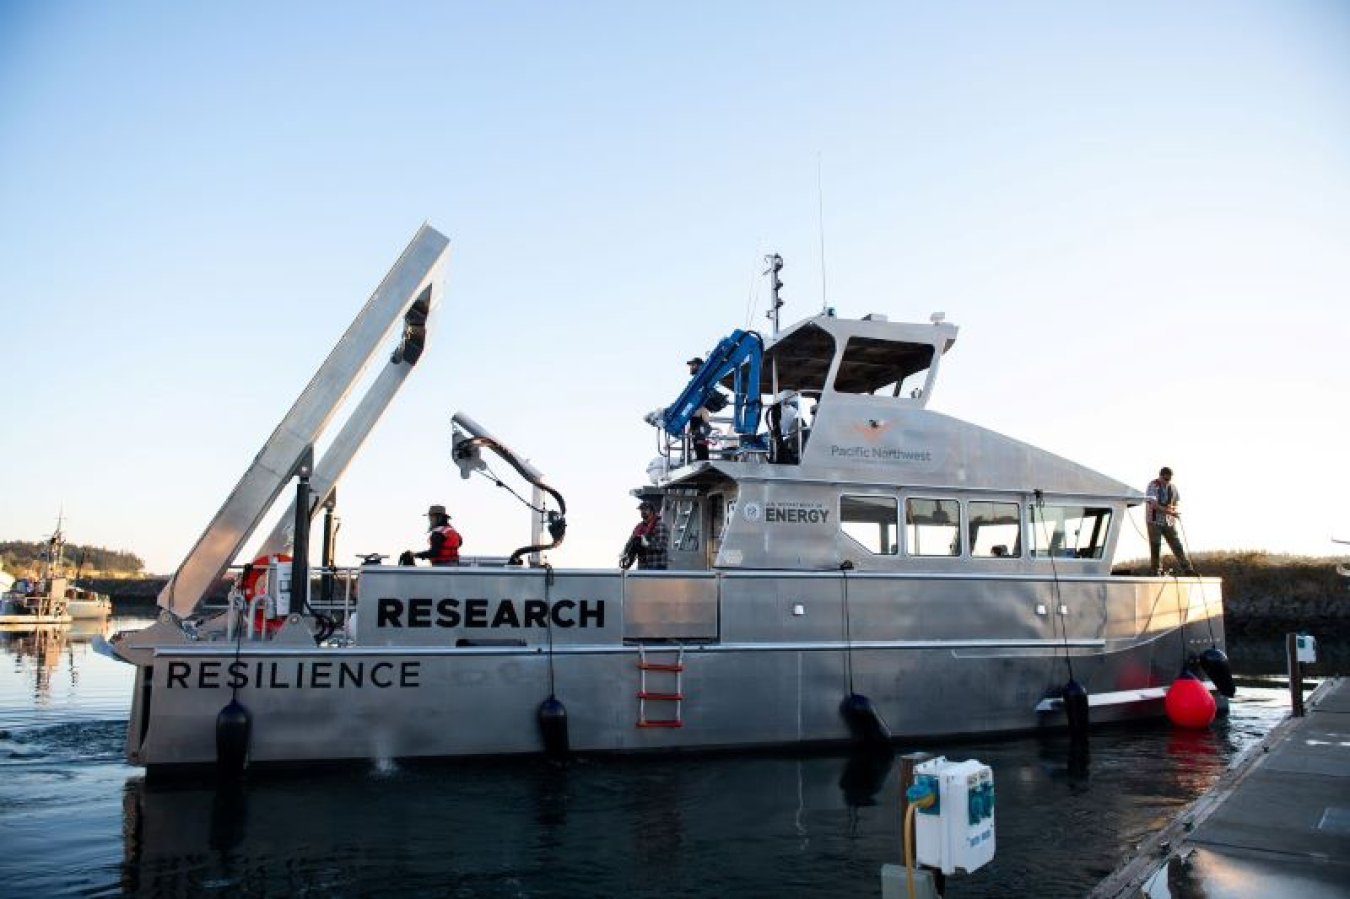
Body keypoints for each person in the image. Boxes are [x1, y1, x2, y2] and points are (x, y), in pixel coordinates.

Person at [1146, 467, 1194, 575]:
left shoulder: (1172, 487)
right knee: (1155, 545)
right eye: (1165, 478)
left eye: (1169, 479)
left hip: (1169, 522)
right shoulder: (1152, 486)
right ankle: (1156, 570)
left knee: (1177, 545)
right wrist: (1170, 512)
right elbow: (1153, 505)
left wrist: (1174, 510)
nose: (1167, 481)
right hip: (1154, 521)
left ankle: (1187, 569)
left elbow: (1176, 502)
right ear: (1161, 476)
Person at [621, 500, 669, 570]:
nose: (643, 512)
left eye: (645, 509)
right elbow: (631, 542)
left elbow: (662, 546)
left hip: (657, 566)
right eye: (641, 510)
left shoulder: (660, 526)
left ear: (652, 511)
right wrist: (625, 553)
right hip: (643, 567)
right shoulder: (638, 527)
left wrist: (647, 545)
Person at [685, 356, 713, 461]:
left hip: (699, 414)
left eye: (693, 365)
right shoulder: (698, 380)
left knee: (699, 440)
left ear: (700, 366)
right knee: (697, 441)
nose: (691, 367)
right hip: (696, 414)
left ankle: (703, 460)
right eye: (691, 365)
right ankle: (701, 459)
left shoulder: (701, 380)